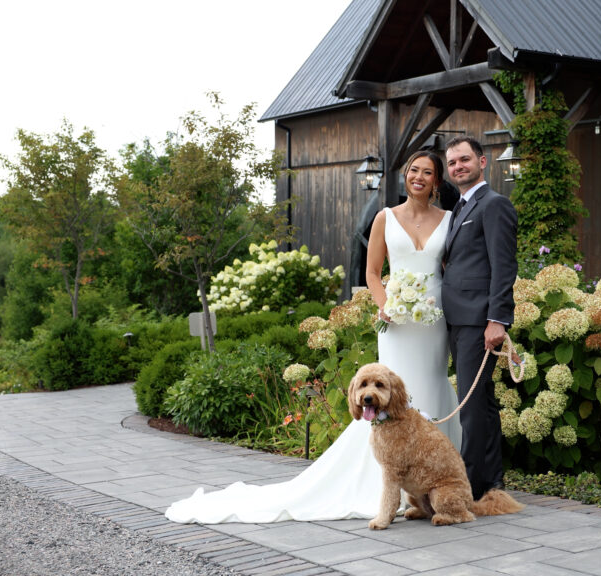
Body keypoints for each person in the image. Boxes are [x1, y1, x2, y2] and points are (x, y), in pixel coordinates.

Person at [164, 150, 461, 523]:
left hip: (433, 322)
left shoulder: (450, 220)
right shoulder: (386, 218)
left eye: (428, 172)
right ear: (406, 176)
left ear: (437, 181)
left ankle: (432, 481)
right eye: (413, 170)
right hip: (397, 325)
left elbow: (454, 270)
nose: (419, 177)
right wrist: (385, 305)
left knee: (432, 386)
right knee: (395, 395)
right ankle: (387, 485)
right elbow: (371, 273)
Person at [442, 136, 518, 501]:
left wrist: (497, 320)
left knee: (472, 406)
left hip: (478, 320)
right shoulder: (458, 208)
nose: (458, 166)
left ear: (483, 162)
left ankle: (470, 485)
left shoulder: (494, 205)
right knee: (482, 402)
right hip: (457, 320)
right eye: (453, 162)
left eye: (465, 160)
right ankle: (490, 482)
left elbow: (504, 267)